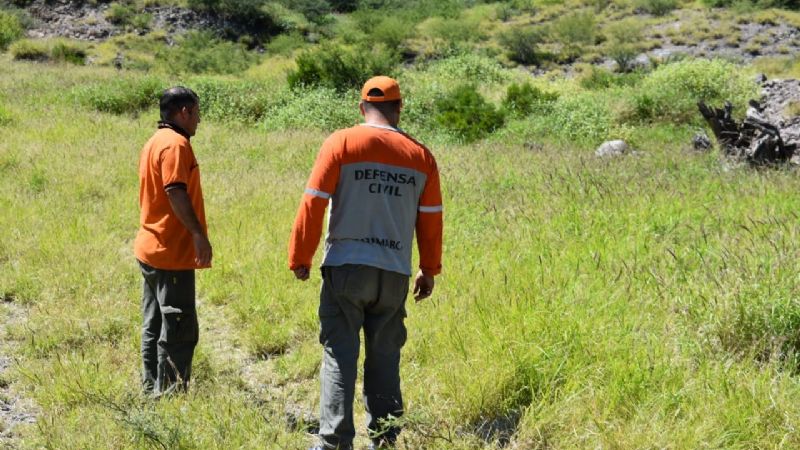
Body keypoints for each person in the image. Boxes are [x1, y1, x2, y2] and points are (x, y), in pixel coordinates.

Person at [288, 76, 443, 450]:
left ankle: (334, 442)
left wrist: (301, 255)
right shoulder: (421, 156)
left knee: (339, 354)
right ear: (399, 108)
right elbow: (432, 216)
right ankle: (386, 440)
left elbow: (314, 201)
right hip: (394, 272)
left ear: (362, 108)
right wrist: (429, 268)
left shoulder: (341, 142)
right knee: (385, 359)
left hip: (346, 267)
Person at [134, 86, 212, 395]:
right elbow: (175, 190)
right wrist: (198, 234)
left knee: (153, 326)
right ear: (184, 112)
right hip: (171, 252)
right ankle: (169, 398)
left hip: (151, 248)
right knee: (178, 329)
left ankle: (150, 389)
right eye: (197, 113)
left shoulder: (154, 141)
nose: (198, 121)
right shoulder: (176, 144)